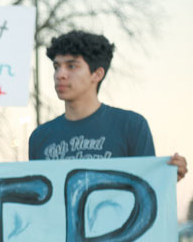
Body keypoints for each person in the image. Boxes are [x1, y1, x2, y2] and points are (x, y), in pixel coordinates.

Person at [29, 30, 186, 180]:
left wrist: (166, 176)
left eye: (71, 66)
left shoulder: (131, 126)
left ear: (97, 74)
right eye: (56, 67)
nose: (60, 75)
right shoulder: (40, 137)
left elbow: (147, 190)